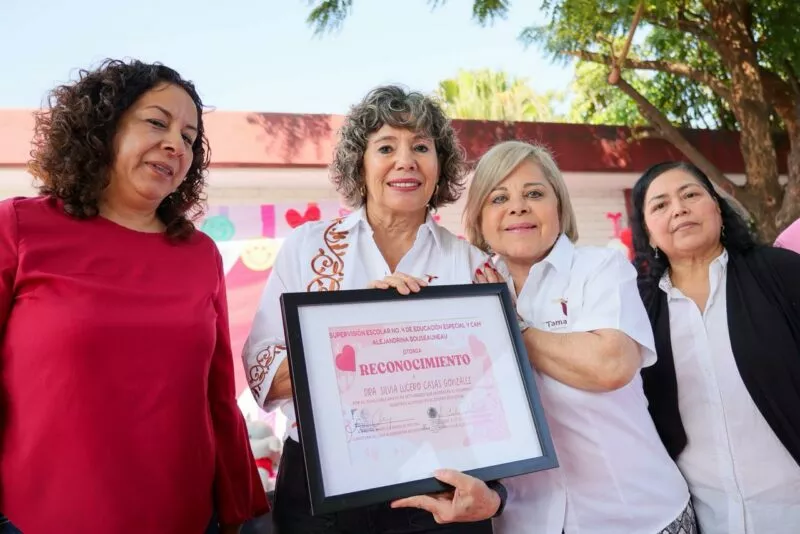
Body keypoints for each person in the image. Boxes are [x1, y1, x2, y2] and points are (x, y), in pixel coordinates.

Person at [0, 59, 267, 534]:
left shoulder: (200, 254)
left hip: (186, 518)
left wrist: (239, 510)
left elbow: (217, 394)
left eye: (188, 137)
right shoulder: (18, 228)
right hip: (37, 518)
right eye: (156, 122)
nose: (175, 144)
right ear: (103, 127)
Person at [243, 85, 505, 534]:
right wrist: (359, 327)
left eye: (421, 147)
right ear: (359, 165)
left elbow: (498, 386)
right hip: (319, 486)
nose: (406, 160)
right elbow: (262, 368)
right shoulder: (307, 248)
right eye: (386, 147)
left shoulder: (472, 264)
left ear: (439, 167)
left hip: (440, 482)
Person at [463, 141, 694, 534]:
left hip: (638, 518)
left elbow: (610, 365)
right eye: (498, 197)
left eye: (534, 193)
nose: (517, 206)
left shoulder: (600, 268)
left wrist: (509, 322)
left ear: (559, 206)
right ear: (480, 219)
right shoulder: (463, 290)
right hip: (524, 521)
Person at [630, 161, 800, 534]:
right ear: (648, 233)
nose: (678, 208)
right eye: (660, 205)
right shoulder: (636, 311)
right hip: (708, 517)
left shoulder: (783, 273)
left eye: (690, 194)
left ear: (718, 209)